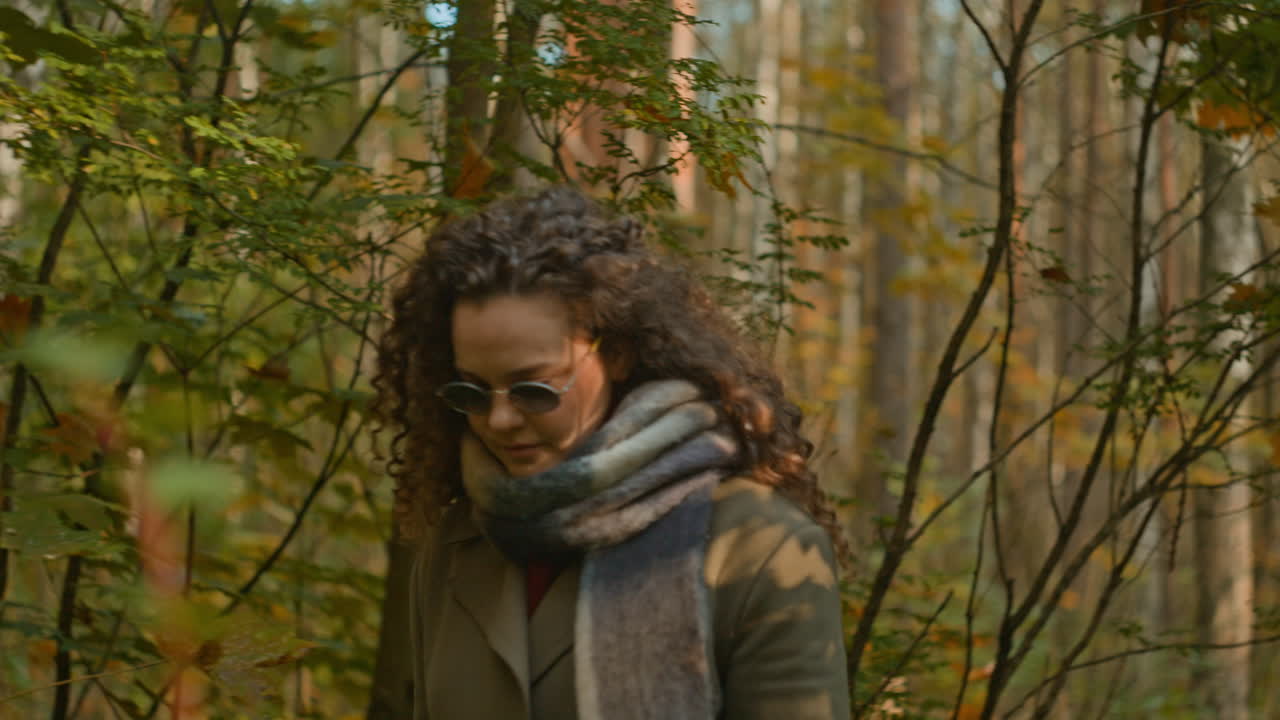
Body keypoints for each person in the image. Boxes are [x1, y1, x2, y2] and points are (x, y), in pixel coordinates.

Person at [375, 185, 850, 720]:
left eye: (534, 388)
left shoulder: (756, 545)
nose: (500, 420)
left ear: (617, 354)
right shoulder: (454, 546)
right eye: (472, 392)